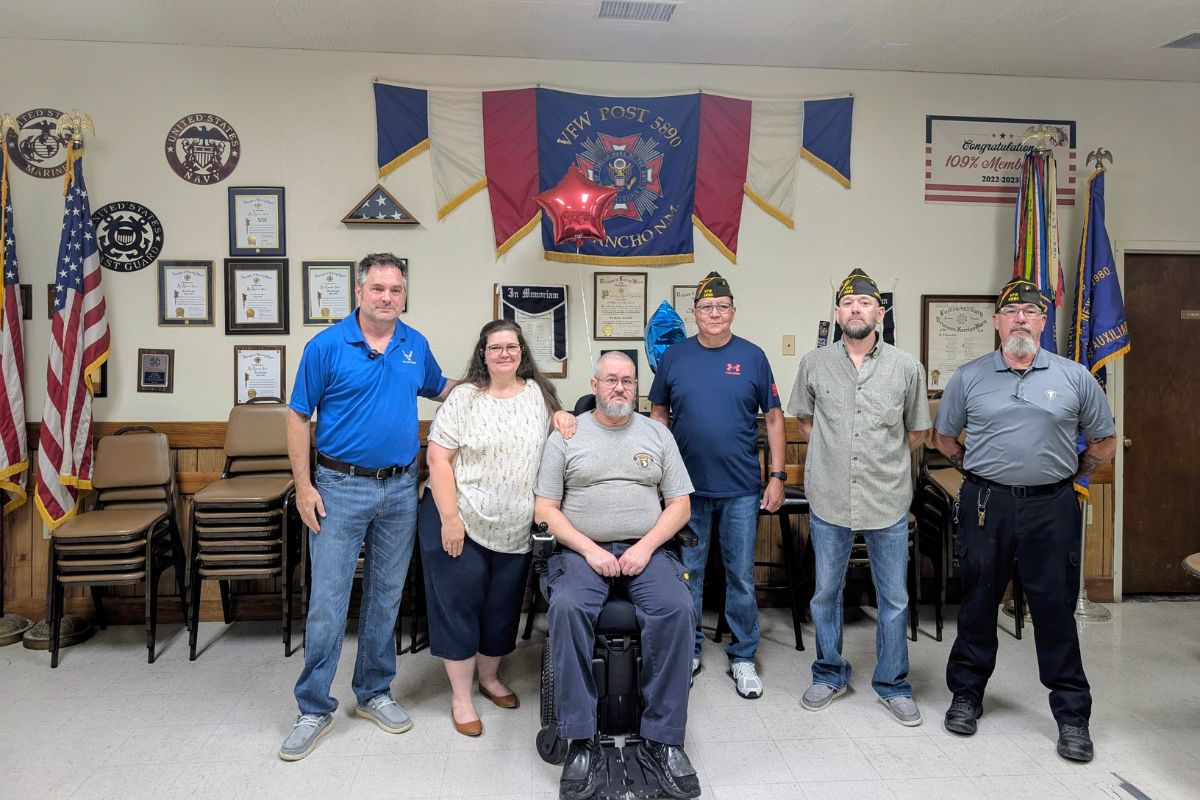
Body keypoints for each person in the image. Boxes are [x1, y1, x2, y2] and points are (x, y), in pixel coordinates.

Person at [280, 253, 456, 761]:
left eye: (395, 290)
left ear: (404, 294)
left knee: (385, 597)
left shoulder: (413, 344)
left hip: (400, 488)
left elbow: (440, 388)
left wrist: (493, 384)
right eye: (377, 288)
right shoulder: (326, 346)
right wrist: (304, 485)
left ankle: (374, 691)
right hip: (338, 488)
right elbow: (296, 417)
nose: (387, 297)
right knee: (329, 603)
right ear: (359, 293)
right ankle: (313, 706)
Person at [934, 278, 1116, 763]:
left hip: (1052, 508)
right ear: (996, 323)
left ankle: (1073, 716)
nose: (1020, 319)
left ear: (1043, 323)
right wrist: (981, 474)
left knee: (1055, 609)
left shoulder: (1075, 377)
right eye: (1011, 312)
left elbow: (1102, 443)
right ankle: (967, 696)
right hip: (985, 505)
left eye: (1030, 312)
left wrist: (1063, 479)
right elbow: (945, 439)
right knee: (977, 602)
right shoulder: (968, 377)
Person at [535, 352, 700, 800]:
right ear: (595, 383)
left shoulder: (657, 434)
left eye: (627, 381)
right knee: (567, 607)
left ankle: (664, 739)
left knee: (677, 606)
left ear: (636, 388)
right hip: (582, 551)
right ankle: (581, 738)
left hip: (646, 549)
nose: (619, 388)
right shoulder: (566, 436)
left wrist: (646, 547)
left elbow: (680, 504)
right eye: (611, 380)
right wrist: (589, 549)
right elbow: (545, 508)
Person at [787, 268, 931, 726]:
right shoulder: (814, 363)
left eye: (865, 304)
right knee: (825, 592)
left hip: (887, 498)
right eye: (848, 304)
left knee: (894, 598)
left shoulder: (906, 366)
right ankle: (829, 673)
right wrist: (836, 451)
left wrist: (879, 460)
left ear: (879, 313)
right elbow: (805, 422)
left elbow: (917, 431)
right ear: (837, 313)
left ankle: (892, 684)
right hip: (828, 496)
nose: (856, 310)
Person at [422, 319, 573, 737]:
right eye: (495, 347)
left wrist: (563, 417)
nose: (504, 353)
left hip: (516, 527)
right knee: (460, 605)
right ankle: (461, 697)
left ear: (522, 351)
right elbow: (438, 460)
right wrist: (449, 519)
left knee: (502, 608)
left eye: (512, 346)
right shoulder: (465, 398)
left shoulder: (539, 397)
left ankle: (488, 679)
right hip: (459, 518)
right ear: (483, 354)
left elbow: (560, 435)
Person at [649, 271, 785, 699]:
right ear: (694, 314)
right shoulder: (674, 358)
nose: (714, 313)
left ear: (733, 312)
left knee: (740, 577)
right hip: (686, 492)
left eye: (722, 307)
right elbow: (658, 415)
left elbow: (776, 419)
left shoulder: (754, 357)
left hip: (742, 488)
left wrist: (777, 476)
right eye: (706, 307)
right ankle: (687, 651)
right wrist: (660, 475)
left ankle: (743, 656)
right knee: (687, 574)